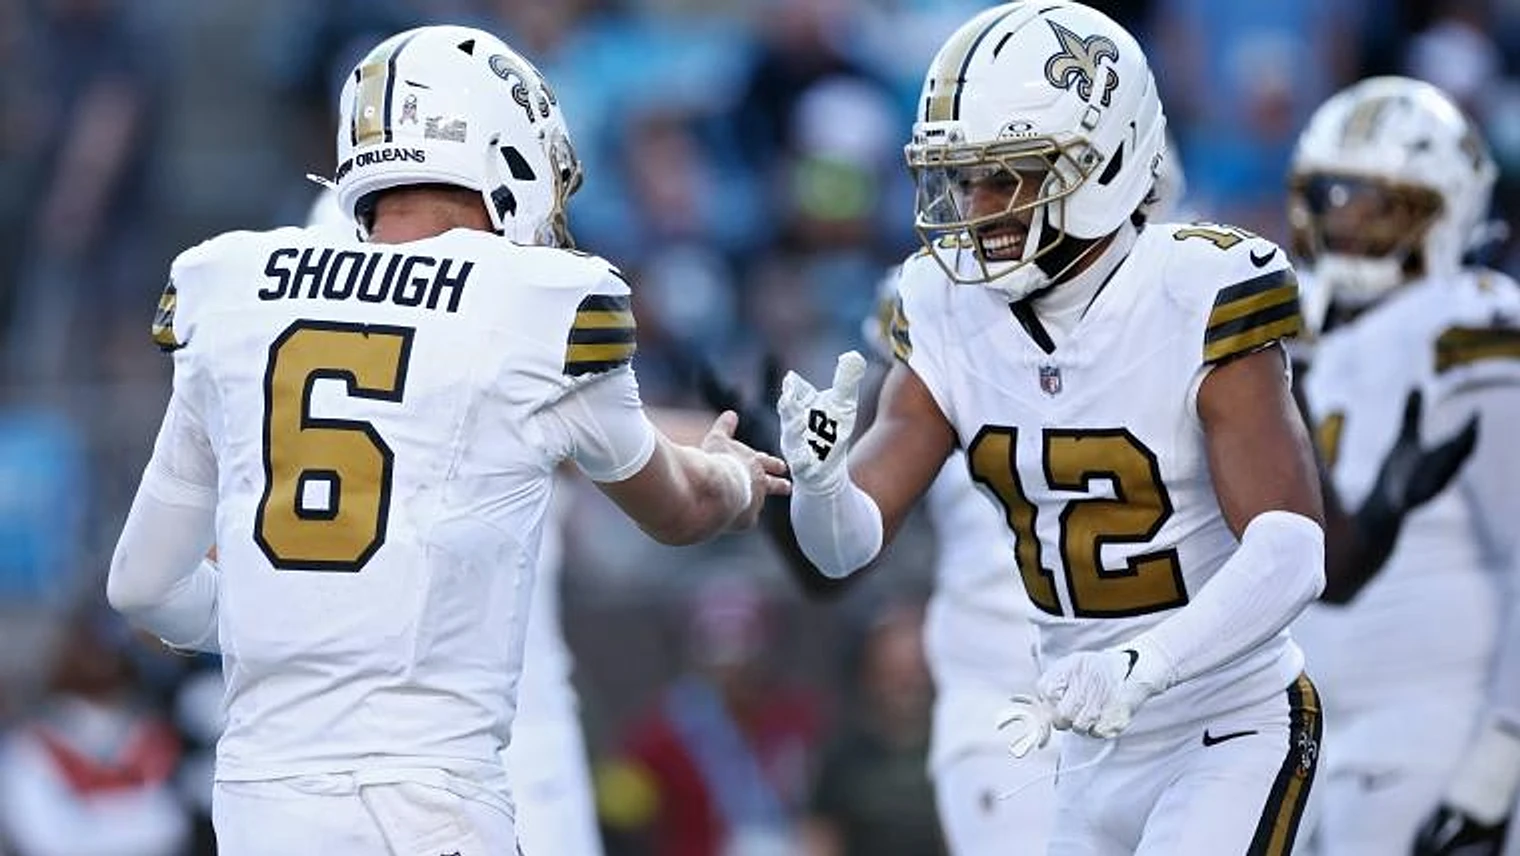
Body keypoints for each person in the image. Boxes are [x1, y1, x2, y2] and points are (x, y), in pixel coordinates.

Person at [105, 24, 787, 855]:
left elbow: (142, 586)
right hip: (431, 797)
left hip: (262, 800)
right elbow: (677, 509)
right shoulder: (537, 302)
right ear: (504, 153)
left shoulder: (228, 288)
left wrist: (290, 625)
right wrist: (737, 479)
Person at [776, 3, 1326, 854]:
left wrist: (1143, 664)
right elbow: (845, 545)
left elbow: (1292, 549)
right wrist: (819, 487)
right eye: (963, 178)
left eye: (1008, 176)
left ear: (1106, 159)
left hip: (1229, 725)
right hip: (1085, 747)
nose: (977, 206)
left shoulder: (1198, 290)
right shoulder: (943, 304)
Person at [306, 183, 607, 856]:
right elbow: (639, 459)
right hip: (498, 743)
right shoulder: (496, 356)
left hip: (330, 754)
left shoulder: (304, 426)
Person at [1284, 76, 1520, 856]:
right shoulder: (1290, 323)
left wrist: (1501, 751)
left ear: (1446, 211)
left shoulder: (1471, 325)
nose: (1346, 226)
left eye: (1378, 206)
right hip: (1297, 726)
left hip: (1429, 723)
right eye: (1332, 200)